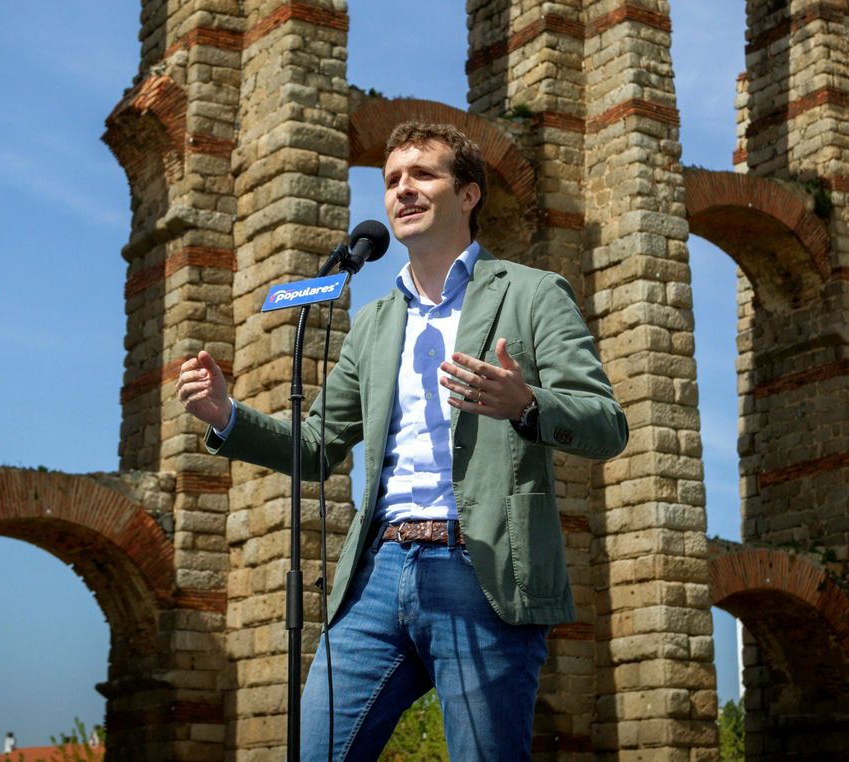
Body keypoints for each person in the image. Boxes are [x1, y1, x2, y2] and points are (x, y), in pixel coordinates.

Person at [175, 121, 627, 760]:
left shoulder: (531, 294)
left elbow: (607, 423)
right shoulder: (374, 321)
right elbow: (315, 445)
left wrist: (527, 405)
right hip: (376, 574)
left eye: (423, 175)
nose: (403, 191)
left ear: (469, 194)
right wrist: (227, 415)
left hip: (481, 570)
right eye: (391, 181)